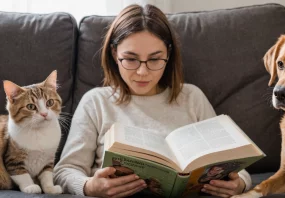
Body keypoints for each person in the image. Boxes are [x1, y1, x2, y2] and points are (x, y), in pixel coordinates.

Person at [54, 4, 251, 198]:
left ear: (168, 55)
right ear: (115, 54)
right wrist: (89, 187)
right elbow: (65, 170)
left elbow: (235, 164)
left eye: (155, 59)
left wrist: (239, 184)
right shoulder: (96, 102)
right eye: (131, 59)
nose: (142, 72)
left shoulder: (192, 97)